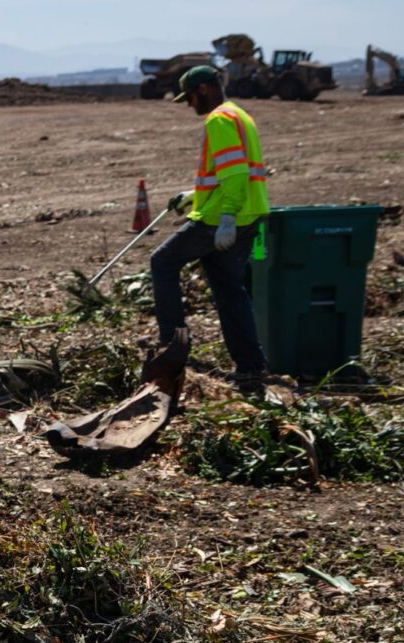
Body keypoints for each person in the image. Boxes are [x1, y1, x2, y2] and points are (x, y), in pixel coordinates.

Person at [145, 64, 271, 395]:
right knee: (230, 290)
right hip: (250, 213)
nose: (189, 105)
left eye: (189, 97)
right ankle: (251, 368)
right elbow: (228, 173)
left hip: (223, 217)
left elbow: (236, 173)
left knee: (163, 262)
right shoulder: (241, 114)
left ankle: (172, 348)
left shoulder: (218, 119)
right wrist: (194, 194)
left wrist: (226, 217)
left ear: (203, 89)